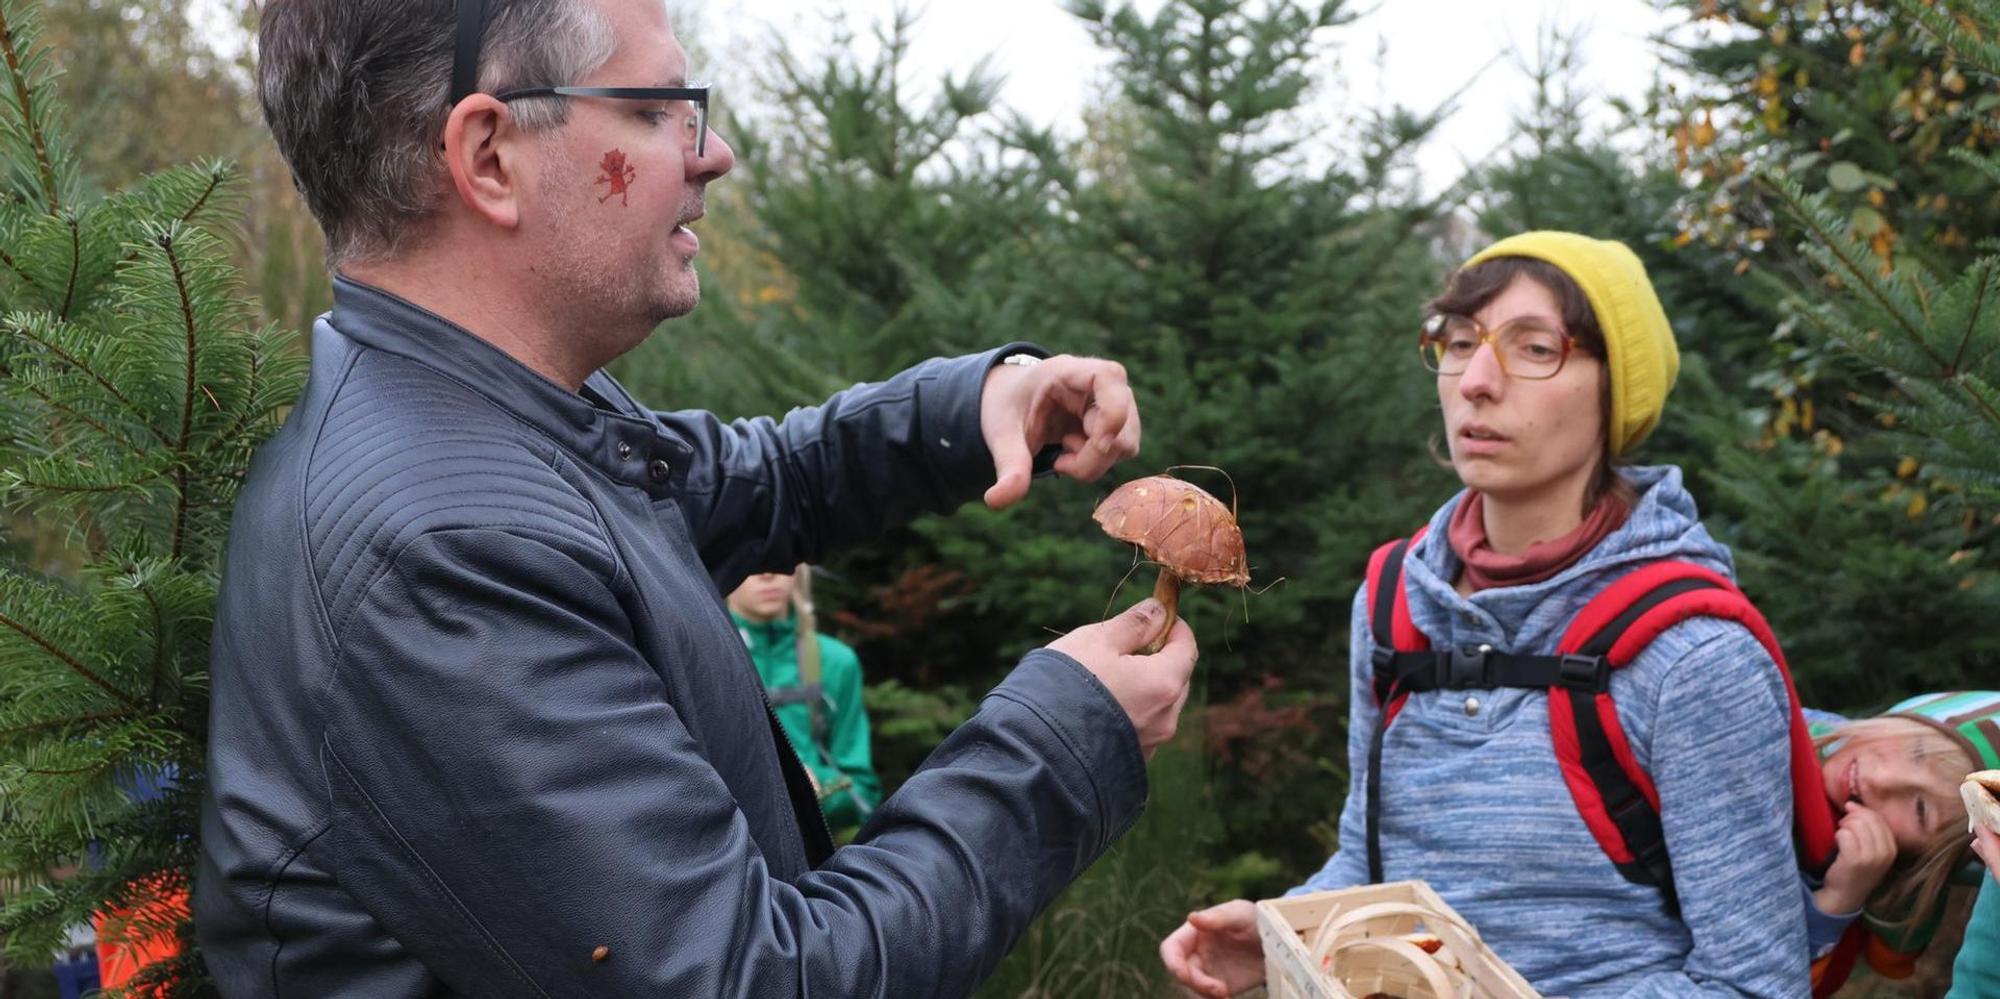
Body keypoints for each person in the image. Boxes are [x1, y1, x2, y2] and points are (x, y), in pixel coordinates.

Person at [195, 1, 1198, 995]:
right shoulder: (445, 547)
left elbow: (748, 482)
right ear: (491, 156)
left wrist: (972, 404)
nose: (710, 154)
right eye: (658, 108)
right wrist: (1060, 740)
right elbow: (753, 983)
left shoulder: (495, 428)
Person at [1163, 232, 1812, 997]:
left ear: (1617, 388)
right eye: (1459, 341)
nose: (1475, 380)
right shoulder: (1393, 602)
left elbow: (1756, 984)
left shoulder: (1693, 657)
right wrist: (1289, 929)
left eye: (1534, 348)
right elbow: (1374, 865)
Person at [1800, 692, 1998, 992]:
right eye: (1917, 751)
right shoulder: (1777, 724)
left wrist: (1839, 900)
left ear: (1923, 861)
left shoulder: (1864, 881)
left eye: (1921, 809)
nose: (1880, 779)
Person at [725, 566, 882, 830]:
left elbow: (863, 797)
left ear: (798, 570)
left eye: (776, 557)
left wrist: (814, 789)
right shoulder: (698, 661)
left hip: (810, 857)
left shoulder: (834, 662)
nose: (767, 573)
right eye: (752, 562)